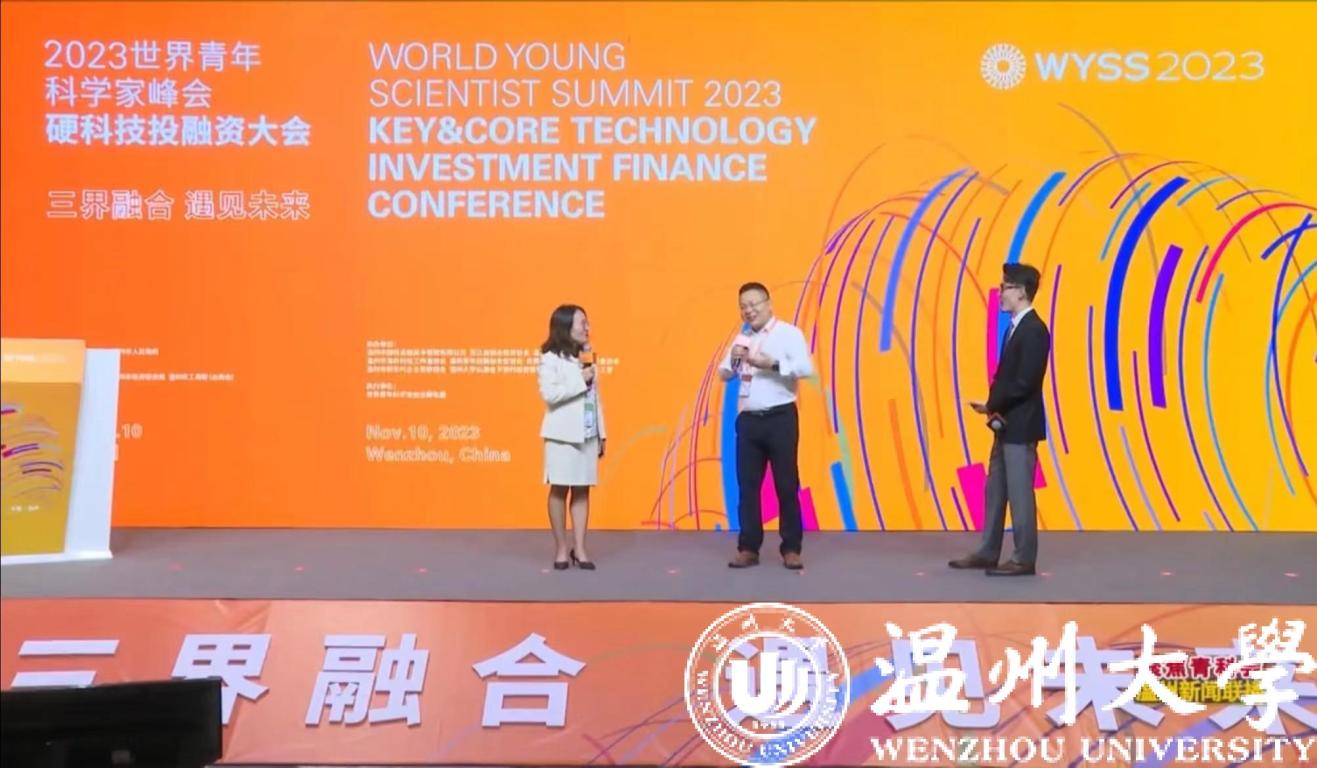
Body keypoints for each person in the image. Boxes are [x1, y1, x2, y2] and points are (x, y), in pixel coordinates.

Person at [950, 263, 1051, 576]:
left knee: (1020, 494)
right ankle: (988, 551)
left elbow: (1025, 382)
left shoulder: (1034, 330)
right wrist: (992, 407)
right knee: (995, 491)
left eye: (1004, 287)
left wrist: (993, 404)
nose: (999, 293)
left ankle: (1023, 558)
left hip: (1020, 427)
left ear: (1021, 291)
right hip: (1004, 425)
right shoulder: (1015, 328)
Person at [718, 282, 814, 570]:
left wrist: (772, 364)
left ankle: (791, 548)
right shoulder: (743, 338)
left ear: (768, 304)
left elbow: (805, 368)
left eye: (753, 304)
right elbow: (723, 373)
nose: (749, 311)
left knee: (786, 484)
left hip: (780, 418)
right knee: (747, 487)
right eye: (743, 307)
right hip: (749, 421)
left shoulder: (789, 333)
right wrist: (734, 360)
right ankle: (748, 548)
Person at [537, 304, 605, 571]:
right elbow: (550, 395)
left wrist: (602, 432)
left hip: (587, 433)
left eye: (588, 323)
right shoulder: (550, 359)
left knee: (582, 490)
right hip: (561, 435)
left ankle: (581, 548)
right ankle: (561, 549)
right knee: (559, 489)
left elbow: (595, 398)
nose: (587, 328)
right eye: (582, 323)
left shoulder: (585, 356)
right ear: (566, 327)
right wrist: (580, 379)